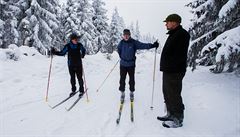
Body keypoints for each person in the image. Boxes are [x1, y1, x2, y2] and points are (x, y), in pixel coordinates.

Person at [157, 14, 190, 128]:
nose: (166, 24)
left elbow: (178, 55)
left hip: (175, 71)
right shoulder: (174, 34)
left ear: (175, 22)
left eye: (168, 22)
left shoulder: (182, 34)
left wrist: (171, 65)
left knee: (174, 94)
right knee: (167, 93)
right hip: (169, 70)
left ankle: (177, 119)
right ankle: (170, 114)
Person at [117, 29, 159, 100]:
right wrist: (122, 57)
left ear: (129, 35)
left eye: (127, 35)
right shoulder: (121, 43)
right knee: (122, 79)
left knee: (132, 79)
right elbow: (119, 50)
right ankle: (122, 93)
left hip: (131, 65)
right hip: (123, 65)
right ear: (123, 36)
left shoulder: (133, 42)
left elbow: (143, 45)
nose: (126, 36)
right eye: (125, 35)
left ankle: (131, 92)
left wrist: (153, 45)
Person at [51, 33, 86, 97]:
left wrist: (82, 55)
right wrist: (54, 52)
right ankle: (73, 90)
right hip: (71, 65)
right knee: (72, 78)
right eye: (75, 39)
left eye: (77, 39)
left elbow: (83, 50)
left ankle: (81, 90)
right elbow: (62, 53)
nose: (76, 41)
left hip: (79, 64)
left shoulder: (79, 45)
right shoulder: (68, 46)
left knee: (79, 78)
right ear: (72, 39)